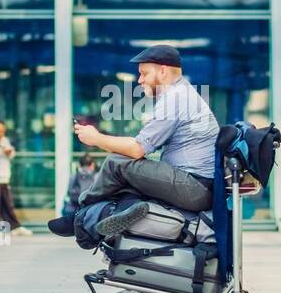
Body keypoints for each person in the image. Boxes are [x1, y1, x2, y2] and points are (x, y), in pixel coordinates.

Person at [47, 44, 219, 238]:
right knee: (129, 176)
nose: (140, 80)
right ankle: (126, 209)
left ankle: (80, 215)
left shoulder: (176, 98)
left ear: (162, 71)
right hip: (195, 185)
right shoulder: (182, 94)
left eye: (144, 73)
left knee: (117, 163)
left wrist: (96, 138)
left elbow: (137, 149)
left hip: (194, 187)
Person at [63, 153, 98, 220]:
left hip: (73, 210)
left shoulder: (74, 176)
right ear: (92, 165)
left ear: (80, 164)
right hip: (89, 212)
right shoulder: (96, 177)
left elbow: (69, 192)